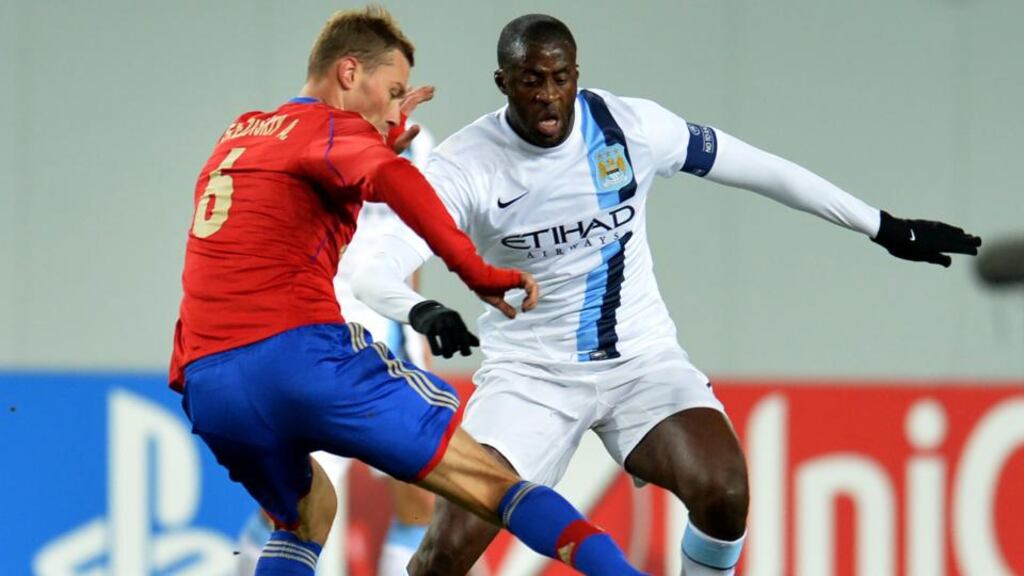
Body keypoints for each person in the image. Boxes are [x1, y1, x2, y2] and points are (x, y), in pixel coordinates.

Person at [350, 13, 982, 576]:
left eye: (560, 78)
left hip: (641, 362)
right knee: (445, 555)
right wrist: (422, 309)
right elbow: (374, 268)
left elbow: (761, 169)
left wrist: (880, 225)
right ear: (503, 82)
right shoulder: (465, 165)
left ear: (576, 76)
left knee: (725, 491)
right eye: (530, 80)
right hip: (530, 377)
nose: (547, 95)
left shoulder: (632, 128)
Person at [170, 7, 646, 576]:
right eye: (394, 92)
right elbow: (393, 180)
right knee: (491, 483)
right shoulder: (331, 128)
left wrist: (373, 141)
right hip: (301, 356)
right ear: (349, 72)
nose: (398, 110)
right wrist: (474, 271)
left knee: (307, 514)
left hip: (208, 380)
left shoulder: (242, 132)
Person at [232, 121, 443, 576]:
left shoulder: (419, 143)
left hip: (390, 341)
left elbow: (412, 242)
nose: (397, 98)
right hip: (325, 337)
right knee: (293, 503)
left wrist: (415, 332)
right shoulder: (313, 139)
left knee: (420, 500)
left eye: (401, 89)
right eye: (391, 88)